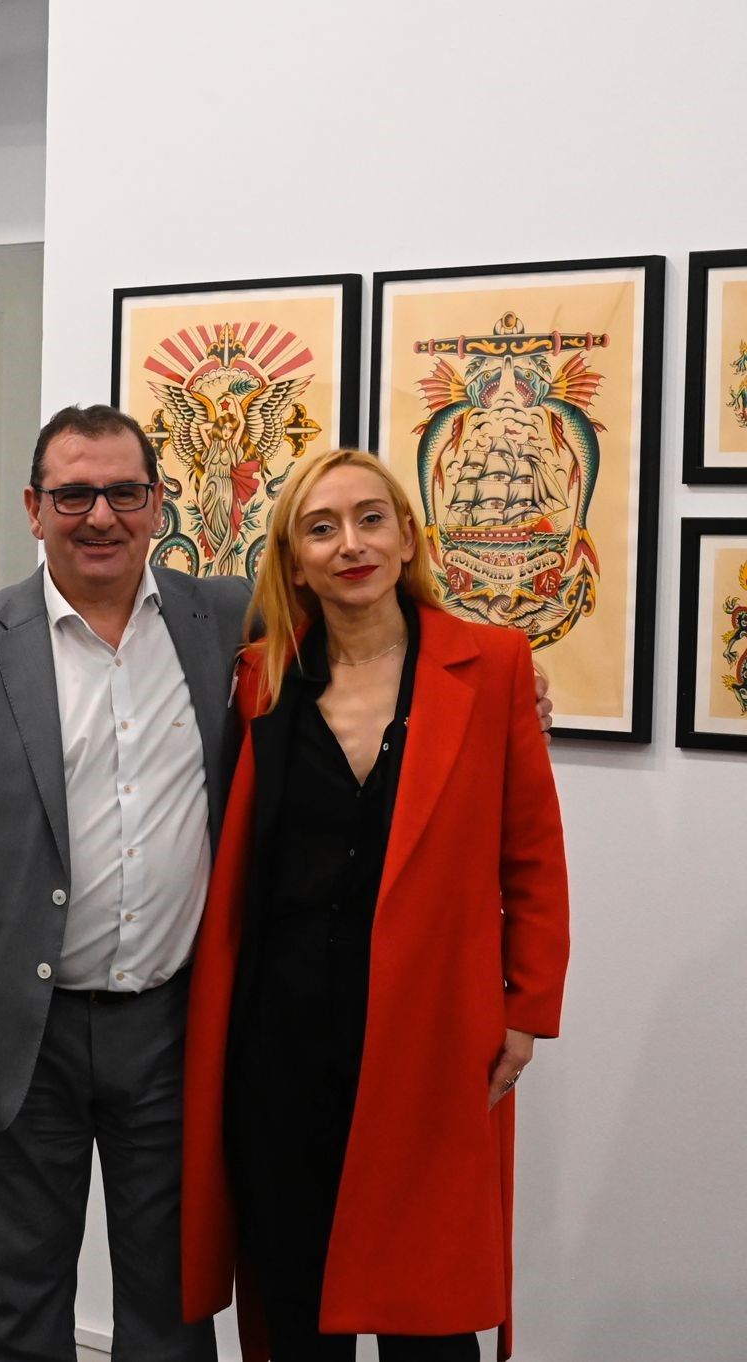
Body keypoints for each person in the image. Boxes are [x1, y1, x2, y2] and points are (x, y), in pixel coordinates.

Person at [177, 449, 569, 1361]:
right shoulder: (260, 679)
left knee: (426, 1309)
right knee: (295, 1292)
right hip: (277, 1036)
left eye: (369, 519)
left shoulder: (493, 666)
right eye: (321, 527)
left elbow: (533, 861)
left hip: (427, 1034)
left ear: (406, 537)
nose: (349, 543)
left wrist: (525, 1013)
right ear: (293, 556)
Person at [0, 404, 247, 1361]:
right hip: (9, 1034)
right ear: (34, 508)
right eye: (75, 495)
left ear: (157, 503)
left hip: (173, 1028)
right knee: (18, 1300)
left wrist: (508, 676)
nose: (100, 516)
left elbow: (374, 625)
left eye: (124, 493)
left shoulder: (230, 623)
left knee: (174, 1305)